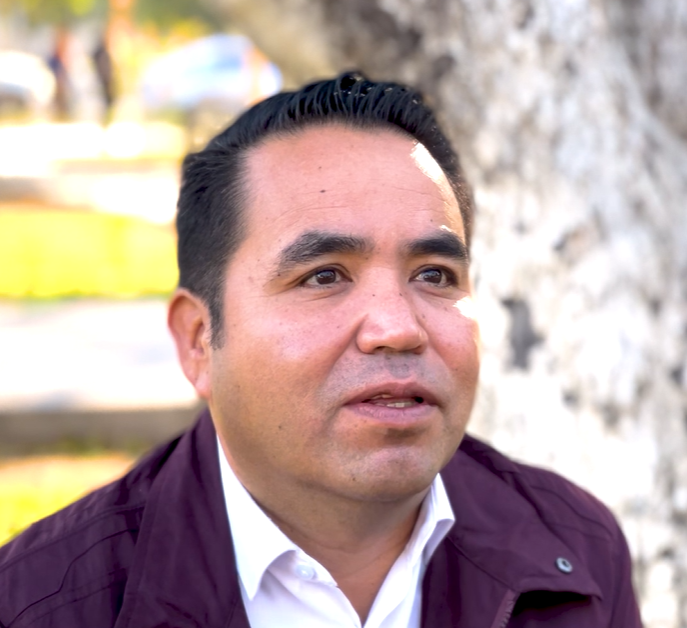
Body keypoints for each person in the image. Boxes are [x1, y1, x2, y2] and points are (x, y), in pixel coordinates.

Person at [0, 72, 642, 627]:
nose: (398, 328)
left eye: (434, 275)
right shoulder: (41, 604)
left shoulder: (575, 552)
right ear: (199, 339)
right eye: (324, 276)